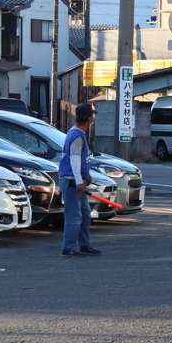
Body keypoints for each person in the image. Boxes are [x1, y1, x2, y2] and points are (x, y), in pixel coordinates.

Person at [58, 103, 101, 257]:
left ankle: (84, 244)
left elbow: (79, 159)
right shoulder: (77, 136)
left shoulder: (73, 133)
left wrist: (85, 174)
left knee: (85, 214)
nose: (93, 120)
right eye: (92, 117)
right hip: (71, 181)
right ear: (89, 119)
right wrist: (79, 181)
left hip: (74, 179)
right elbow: (75, 159)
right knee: (74, 217)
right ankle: (68, 248)